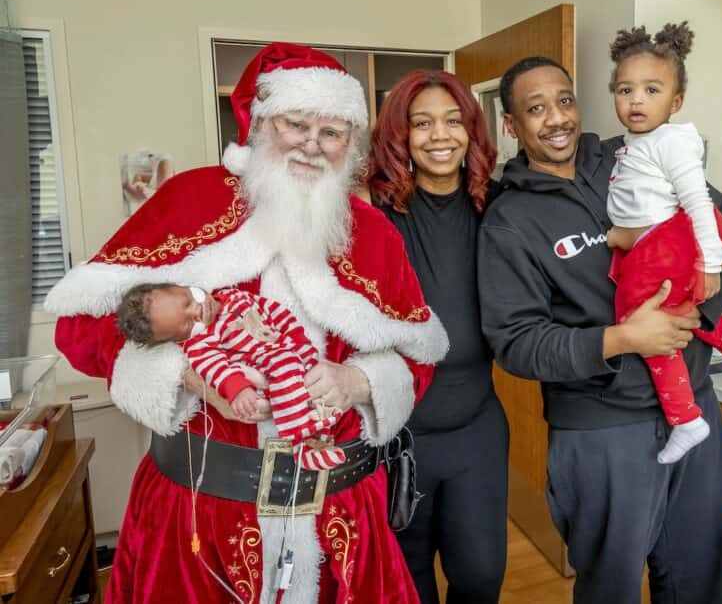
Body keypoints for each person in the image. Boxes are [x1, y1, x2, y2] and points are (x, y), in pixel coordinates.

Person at [45, 42, 449, 603]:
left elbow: (418, 356)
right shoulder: (189, 200)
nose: (312, 143)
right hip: (196, 516)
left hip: (341, 522)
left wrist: (358, 381)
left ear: (352, 143)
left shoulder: (373, 233)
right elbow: (82, 330)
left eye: (332, 132)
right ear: (260, 123)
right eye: (295, 124)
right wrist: (189, 374)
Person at [477, 56, 722, 603]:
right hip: (602, 430)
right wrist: (621, 340)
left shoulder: (638, 154)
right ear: (511, 125)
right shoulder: (509, 220)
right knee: (610, 589)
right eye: (536, 108)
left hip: (692, 405)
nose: (557, 118)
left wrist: (692, 315)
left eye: (565, 101)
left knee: (700, 579)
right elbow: (516, 342)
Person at [605, 22, 722, 464]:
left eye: (651, 90)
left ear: (676, 101)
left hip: (663, 247)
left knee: (640, 320)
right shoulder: (636, 143)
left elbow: (699, 203)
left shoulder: (671, 143)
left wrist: (710, 264)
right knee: (688, 318)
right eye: (626, 90)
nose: (636, 100)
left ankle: (685, 418)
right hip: (654, 246)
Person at [366, 70, 508, 604]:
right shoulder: (373, 214)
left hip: (477, 427)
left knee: (481, 577)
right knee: (407, 578)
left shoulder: (498, 206)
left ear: (471, 129)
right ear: (400, 135)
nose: (440, 136)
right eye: (422, 123)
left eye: (453, 121)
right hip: (397, 436)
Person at [116, 283, 348, 470]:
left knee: (319, 397)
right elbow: (216, 368)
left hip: (291, 350)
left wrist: (298, 341)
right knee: (290, 391)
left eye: (188, 300)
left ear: (185, 286)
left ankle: (322, 440)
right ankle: (301, 445)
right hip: (264, 369)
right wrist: (239, 390)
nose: (196, 311)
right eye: (187, 323)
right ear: (179, 339)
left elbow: (274, 311)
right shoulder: (199, 344)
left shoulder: (234, 296)